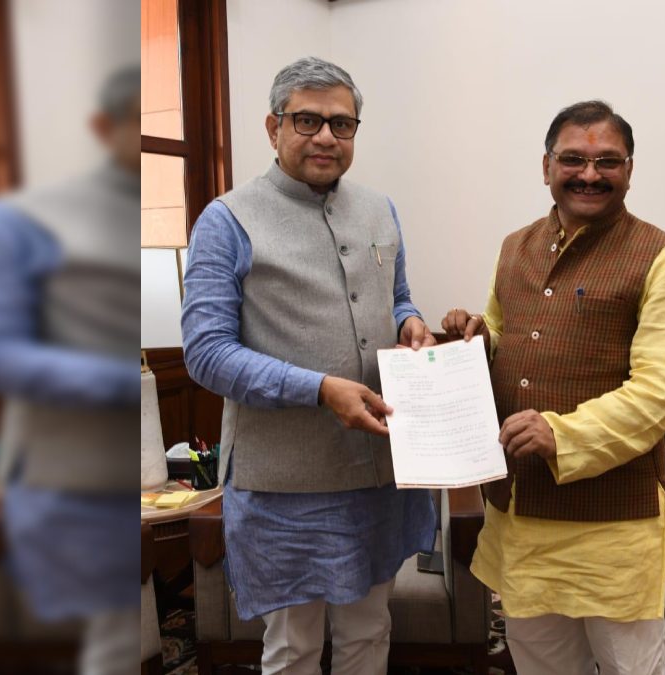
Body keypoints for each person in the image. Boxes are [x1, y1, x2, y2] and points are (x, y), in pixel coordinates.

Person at [180, 56, 438, 675]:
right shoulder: (226, 220)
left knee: (370, 630)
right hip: (284, 485)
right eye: (307, 121)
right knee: (294, 645)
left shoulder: (380, 209)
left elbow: (398, 297)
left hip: (379, 472)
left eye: (341, 124)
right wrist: (319, 388)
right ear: (274, 128)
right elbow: (206, 353)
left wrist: (410, 322)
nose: (326, 136)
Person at [444, 100, 665, 675]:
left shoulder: (661, 259)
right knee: (540, 664)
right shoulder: (514, 247)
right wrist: (476, 341)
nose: (589, 173)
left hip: (611, 529)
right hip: (521, 518)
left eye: (607, 161)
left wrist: (561, 435)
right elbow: (507, 336)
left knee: (630, 668)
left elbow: (661, 391)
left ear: (629, 170)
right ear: (546, 167)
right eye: (573, 160)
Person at [0, 67, 142, 675]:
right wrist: (109, 380)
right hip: (73, 479)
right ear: (103, 127)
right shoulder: (12, 222)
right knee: (112, 644)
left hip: (141, 470)